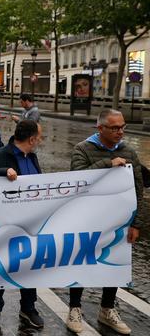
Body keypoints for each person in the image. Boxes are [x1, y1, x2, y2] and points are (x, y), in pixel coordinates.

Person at [65, 109, 144, 335]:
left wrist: (136, 224)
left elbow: (138, 189)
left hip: (118, 222)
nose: (120, 131)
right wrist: (107, 164)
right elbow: (77, 180)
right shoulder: (83, 149)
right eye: (114, 128)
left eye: (122, 127)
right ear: (100, 128)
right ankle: (74, 309)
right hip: (87, 220)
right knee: (81, 262)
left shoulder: (129, 150)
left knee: (115, 265)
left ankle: (107, 309)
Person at [0, 120, 45, 330]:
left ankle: (28, 307)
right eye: (39, 137)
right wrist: (2, 172)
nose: (40, 140)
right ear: (32, 138)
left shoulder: (32, 158)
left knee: (29, 267)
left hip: (30, 225)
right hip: (3, 224)